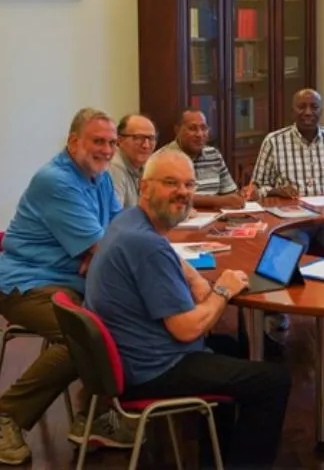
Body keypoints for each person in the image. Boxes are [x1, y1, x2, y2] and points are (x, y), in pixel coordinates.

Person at [85, 150, 291, 468]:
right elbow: (186, 329)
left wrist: (194, 278)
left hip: (129, 356)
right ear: (144, 187)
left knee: (231, 347)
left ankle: (216, 459)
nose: (183, 192)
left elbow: (165, 250)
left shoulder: (128, 221)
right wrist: (223, 290)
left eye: (189, 184)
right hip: (152, 370)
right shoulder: (146, 245)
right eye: (171, 183)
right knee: (273, 380)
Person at [0, 108, 134, 465]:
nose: (107, 150)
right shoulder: (55, 180)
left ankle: (91, 419)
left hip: (71, 281)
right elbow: (105, 245)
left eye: (111, 143)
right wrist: (99, 249)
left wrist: (101, 248)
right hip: (27, 282)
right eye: (98, 141)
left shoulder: (99, 176)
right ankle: (7, 415)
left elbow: (117, 229)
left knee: (114, 322)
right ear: (74, 142)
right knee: (83, 336)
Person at [249, 88, 324, 256]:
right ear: (292, 110)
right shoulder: (274, 141)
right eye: (301, 107)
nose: (308, 112)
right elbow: (256, 188)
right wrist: (275, 191)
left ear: (321, 110)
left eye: (314, 107)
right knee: (290, 247)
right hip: (289, 220)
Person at [158, 107, 245, 210]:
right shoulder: (163, 159)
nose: (199, 134)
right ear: (177, 130)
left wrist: (243, 195)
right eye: (192, 128)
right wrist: (218, 201)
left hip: (217, 217)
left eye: (204, 128)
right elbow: (171, 197)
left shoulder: (213, 154)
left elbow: (230, 193)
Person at [109, 114, 157, 207]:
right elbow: (116, 214)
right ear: (119, 140)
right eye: (138, 138)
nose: (146, 145)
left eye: (151, 139)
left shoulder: (147, 166)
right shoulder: (114, 168)